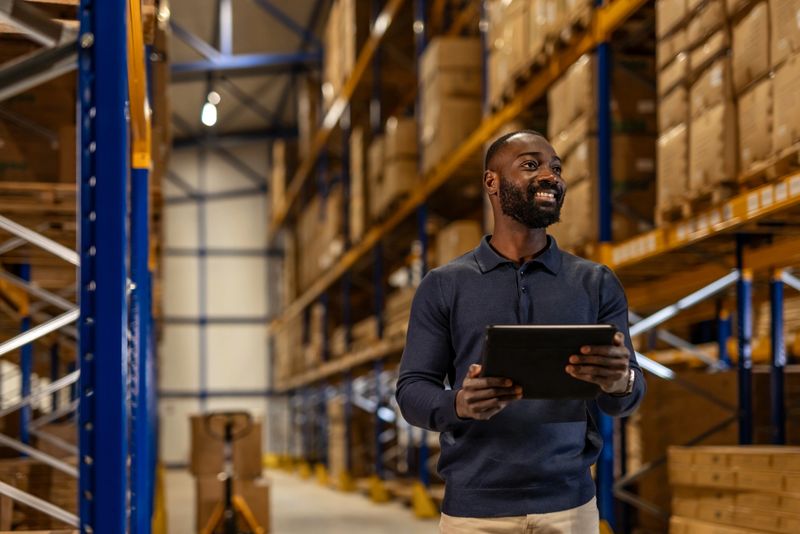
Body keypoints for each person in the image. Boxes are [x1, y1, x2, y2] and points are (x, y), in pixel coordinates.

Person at [396, 129, 645, 533]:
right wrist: (459, 403)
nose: (550, 176)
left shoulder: (595, 282)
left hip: (569, 508)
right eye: (531, 165)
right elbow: (411, 391)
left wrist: (620, 381)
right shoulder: (444, 285)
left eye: (556, 168)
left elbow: (629, 397)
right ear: (491, 182)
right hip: (474, 514)